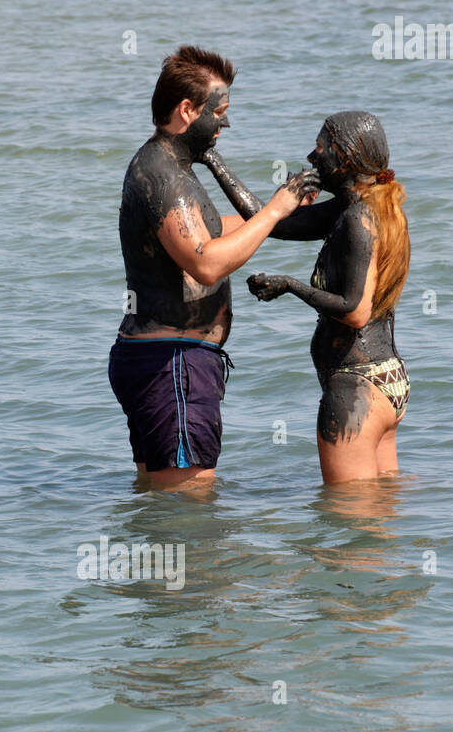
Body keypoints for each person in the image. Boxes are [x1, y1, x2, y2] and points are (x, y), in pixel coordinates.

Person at [109, 45, 319, 490]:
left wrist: (282, 215)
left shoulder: (169, 167)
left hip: (162, 363)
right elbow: (206, 263)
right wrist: (275, 210)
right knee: (190, 513)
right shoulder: (164, 175)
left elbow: (208, 232)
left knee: (160, 504)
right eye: (219, 111)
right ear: (187, 111)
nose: (225, 122)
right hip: (173, 366)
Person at [203, 112, 411, 483]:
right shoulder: (366, 207)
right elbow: (271, 222)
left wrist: (290, 285)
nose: (312, 159)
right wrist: (212, 159)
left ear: (344, 159)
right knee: (380, 516)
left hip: (355, 389)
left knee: (346, 520)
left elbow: (355, 311)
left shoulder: (355, 219)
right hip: (388, 382)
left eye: (320, 150)